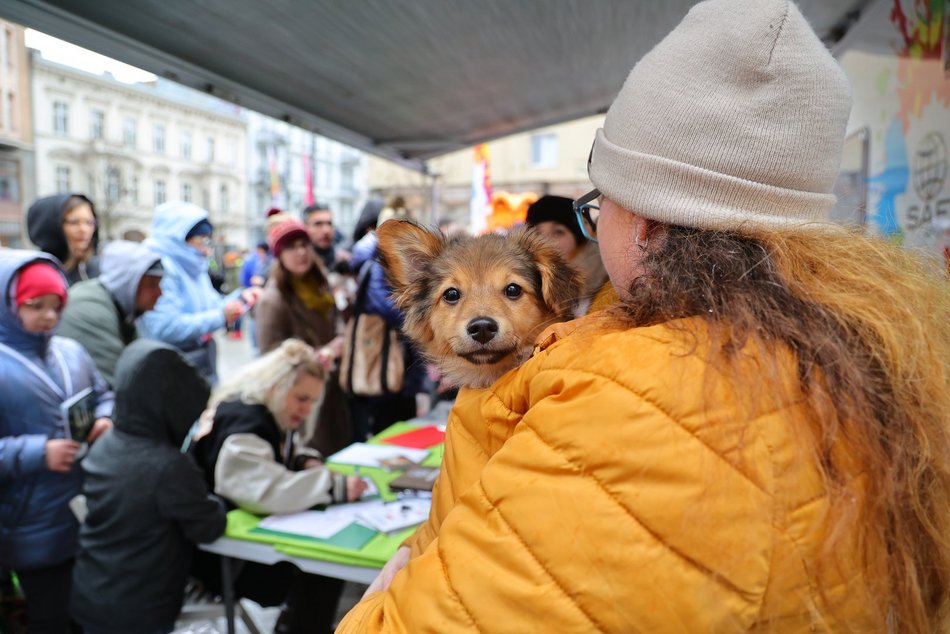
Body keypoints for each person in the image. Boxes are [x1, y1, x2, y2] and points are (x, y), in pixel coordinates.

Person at [339, 0, 950, 632]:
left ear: (649, 222)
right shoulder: (853, 356)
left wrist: (380, 597)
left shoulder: (630, 398)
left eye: (599, 204)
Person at [190, 339, 367, 634]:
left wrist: (305, 462)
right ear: (277, 386)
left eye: (312, 401)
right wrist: (332, 486)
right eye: (302, 398)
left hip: (232, 543)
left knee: (323, 566)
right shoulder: (246, 423)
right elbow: (267, 490)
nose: (307, 409)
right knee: (322, 566)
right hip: (222, 557)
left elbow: (278, 456)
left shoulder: (257, 410)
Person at [70, 340, 226, 634]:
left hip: (90, 592)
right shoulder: (167, 466)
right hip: (141, 609)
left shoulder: (105, 445)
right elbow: (209, 525)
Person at [0, 251, 113, 633]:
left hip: (83, 509)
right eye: (35, 306)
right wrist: (36, 452)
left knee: (85, 609)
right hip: (30, 519)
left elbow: (103, 393)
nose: (48, 316)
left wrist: (105, 417)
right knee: (50, 616)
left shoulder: (71, 351)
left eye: (56, 306)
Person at [254, 218, 352, 457]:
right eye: (291, 247)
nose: (300, 252)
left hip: (334, 387)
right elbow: (271, 355)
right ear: (280, 255)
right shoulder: (273, 299)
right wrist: (316, 355)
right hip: (302, 397)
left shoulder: (320, 283)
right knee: (314, 456)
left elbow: (336, 320)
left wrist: (339, 342)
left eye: (304, 245)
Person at [138, 201, 252, 383]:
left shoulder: (192, 263)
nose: (207, 248)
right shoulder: (162, 268)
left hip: (199, 361)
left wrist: (240, 298)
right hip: (171, 368)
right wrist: (221, 316)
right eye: (202, 240)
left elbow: (213, 304)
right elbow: (166, 327)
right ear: (180, 237)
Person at [347, 202, 431, 439]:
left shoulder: (404, 264)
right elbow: (390, 310)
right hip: (382, 364)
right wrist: (424, 312)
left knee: (401, 432)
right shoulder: (377, 266)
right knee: (385, 432)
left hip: (400, 366)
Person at [56, 240, 164, 387]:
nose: (160, 293)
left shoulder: (115, 306)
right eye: (152, 285)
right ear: (128, 283)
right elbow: (122, 383)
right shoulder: (93, 311)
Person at [525, 194, 611, 315]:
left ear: (578, 235)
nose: (546, 241)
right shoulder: (525, 284)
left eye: (558, 232)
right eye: (537, 233)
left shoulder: (608, 279)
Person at [27, 193, 100, 285]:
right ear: (52, 225)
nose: (83, 229)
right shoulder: (37, 273)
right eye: (73, 222)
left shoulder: (101, 269)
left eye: (89, 222)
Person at [303, 202, 349, 272]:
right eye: (318, 224)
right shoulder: (297, 263)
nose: (326, 230)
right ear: (305, 227)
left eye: (329, 224)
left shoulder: (344, 261)